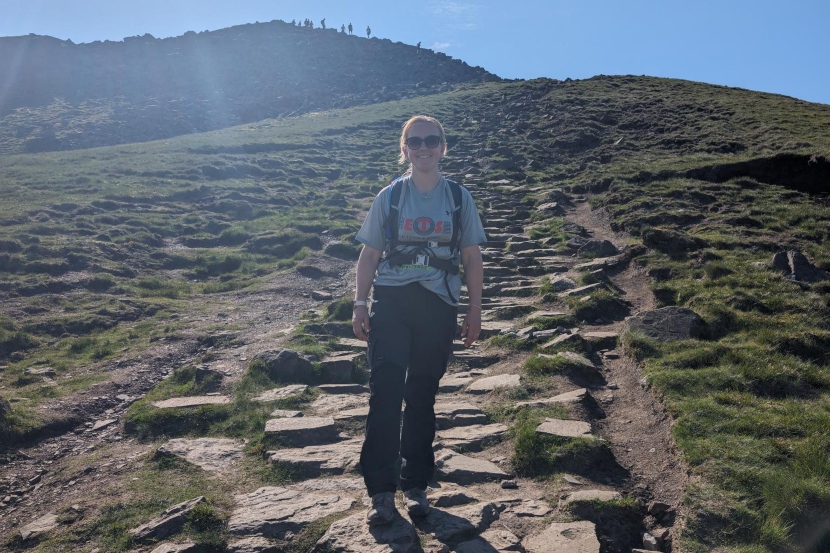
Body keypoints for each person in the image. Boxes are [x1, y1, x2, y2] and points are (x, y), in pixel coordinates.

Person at [352, 115, 486, 526]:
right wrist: (360, 303)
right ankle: (380, 490)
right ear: (405, 149)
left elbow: (471, 257)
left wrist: (475, 310)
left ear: (443, 147)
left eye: (432, 140)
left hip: (439, 306)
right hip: (392, 302)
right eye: (415, 141)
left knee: (422, 394)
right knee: (386, 392)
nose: (423, 147)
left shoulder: (459, 198)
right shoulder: (389, 197)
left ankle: (416, 484)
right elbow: (370, 255)